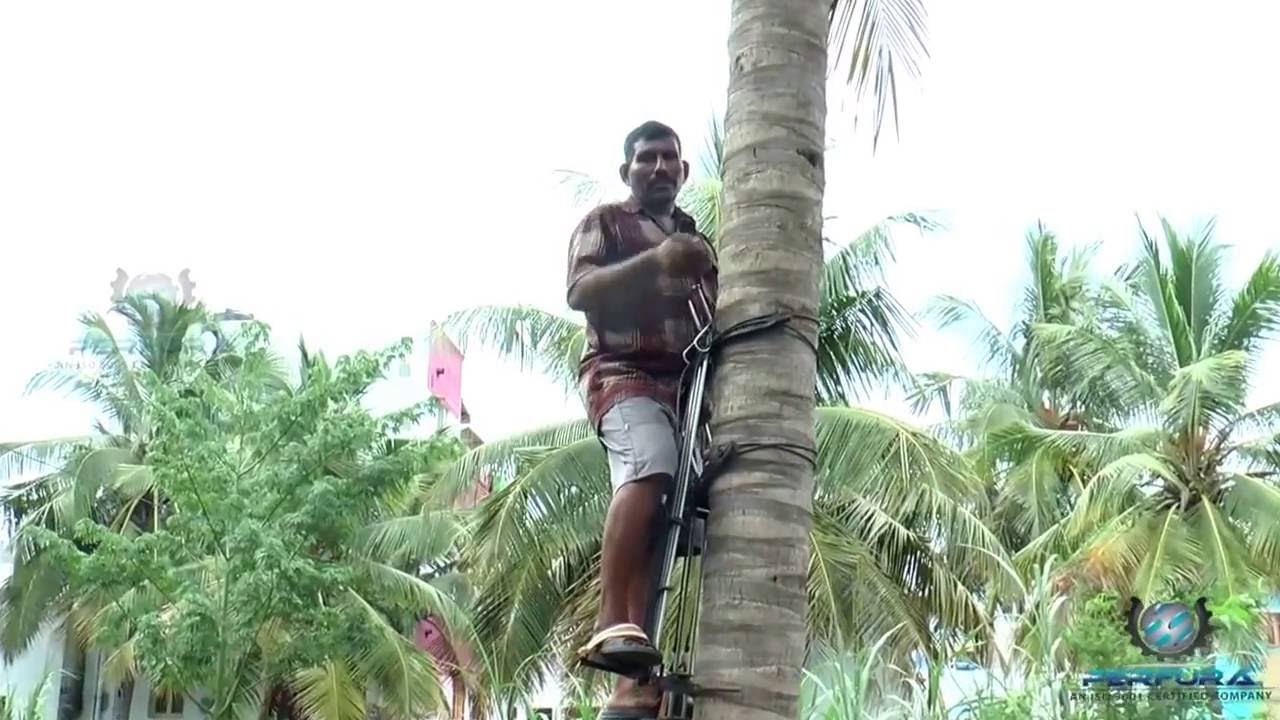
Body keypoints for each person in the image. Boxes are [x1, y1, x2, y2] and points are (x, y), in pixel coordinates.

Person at [565, 120, 718, 715]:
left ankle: (633, 682)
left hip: (685, 394)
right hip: (623, 374)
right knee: (649, 468)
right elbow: (581, 291)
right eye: (646, 158)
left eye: (668, 158)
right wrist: (657, 262)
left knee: (668, 522)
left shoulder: (698, 242)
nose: (658, 168)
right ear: (626, 171)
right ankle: (610, 621)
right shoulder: (607, 223)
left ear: (684, 170)